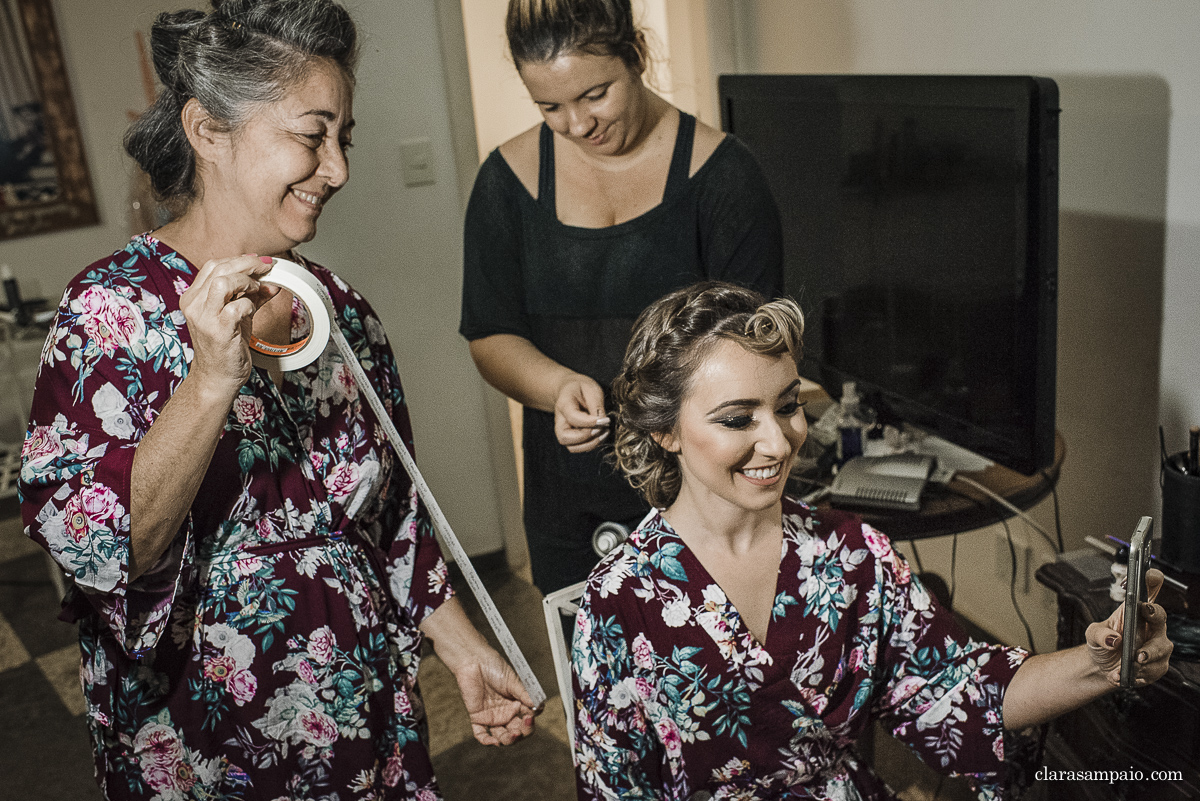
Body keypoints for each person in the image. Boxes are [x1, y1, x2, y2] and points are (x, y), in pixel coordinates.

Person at [19, 2, 535, 798]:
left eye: (346, 137)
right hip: (207, 750)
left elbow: (393, 518)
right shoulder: (107, 314)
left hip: (368, 729)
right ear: (208, 130)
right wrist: (210, 381)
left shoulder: (342, 313)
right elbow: (104, 554)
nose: (339, 168)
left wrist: (462, 647)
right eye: (311, 134)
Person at [571, 281, 1174, 800]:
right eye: (737, 419)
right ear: (664, 431)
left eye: (787, 407)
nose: (780, 443)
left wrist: (1101, 664)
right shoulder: (619, 600)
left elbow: (959, 692)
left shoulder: (851, 557)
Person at [459, 0, 783, 598]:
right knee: (589, 682)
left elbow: (760, 357)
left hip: (703, 497)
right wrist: (555, 386)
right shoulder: (506, 181)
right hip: (567, 499)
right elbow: (490, 334)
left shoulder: (726, 177)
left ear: (633, 55)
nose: (577, 124)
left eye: (595, 94)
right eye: (549, 107)